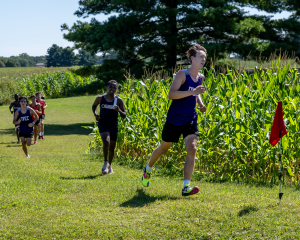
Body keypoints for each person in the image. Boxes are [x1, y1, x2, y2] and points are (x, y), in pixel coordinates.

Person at [141, 45, 207, 196]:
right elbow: (172, 94)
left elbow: (196, 94)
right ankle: (148, 169)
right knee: (164, 149)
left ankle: (186, 187)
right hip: (174, 119)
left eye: (205, 58)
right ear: (192, 58)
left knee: (192, 148)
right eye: (201, 57)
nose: (204, 60)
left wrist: (200, 103)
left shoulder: (201, 77)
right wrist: (193, 92)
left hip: (190, 118)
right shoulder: (182, 75)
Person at [92, 80, 126, 174]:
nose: (112, 89)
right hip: (103, 124)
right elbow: (94, 106)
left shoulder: (118, 100)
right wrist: (96, 115)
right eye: (111, 87)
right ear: (107, 87)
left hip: (113, 125)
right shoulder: (100, 98)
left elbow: (124, 115)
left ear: (116, 89)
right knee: (106, 142)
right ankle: (105, 162)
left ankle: (110, 166)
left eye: (114, 87)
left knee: (112, 148)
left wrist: (119, 110)